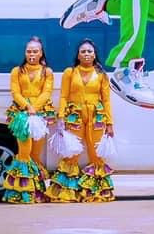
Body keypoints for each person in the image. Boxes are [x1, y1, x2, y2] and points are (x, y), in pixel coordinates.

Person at [49, 38, 115, 202]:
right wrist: (61, 117)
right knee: (72, 153)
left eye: (89, 51)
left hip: (97, 117)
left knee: (96, 153)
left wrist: (110, 123)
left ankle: (95, 192)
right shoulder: (69, 72)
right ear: (78, 56)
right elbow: (63, 96)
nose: (86, 54)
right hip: (74, 116)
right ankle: (66, 192)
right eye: (83, 51)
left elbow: (106, 100)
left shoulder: (101, 75)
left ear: (94, 55)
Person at [3, 37, 55, 204]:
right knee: (24, 152)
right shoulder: (17, 71)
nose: (31, 54)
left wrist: (35, 107)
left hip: (40, 114)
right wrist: (27, 106)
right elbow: (15, 92)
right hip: (22, 114)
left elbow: (47, 92)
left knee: (35, 154)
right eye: (29, 51)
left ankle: (35, 191)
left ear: (41, 53)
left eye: (35, 51)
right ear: (25, 53)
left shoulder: (47, 72)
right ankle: (20, 192)